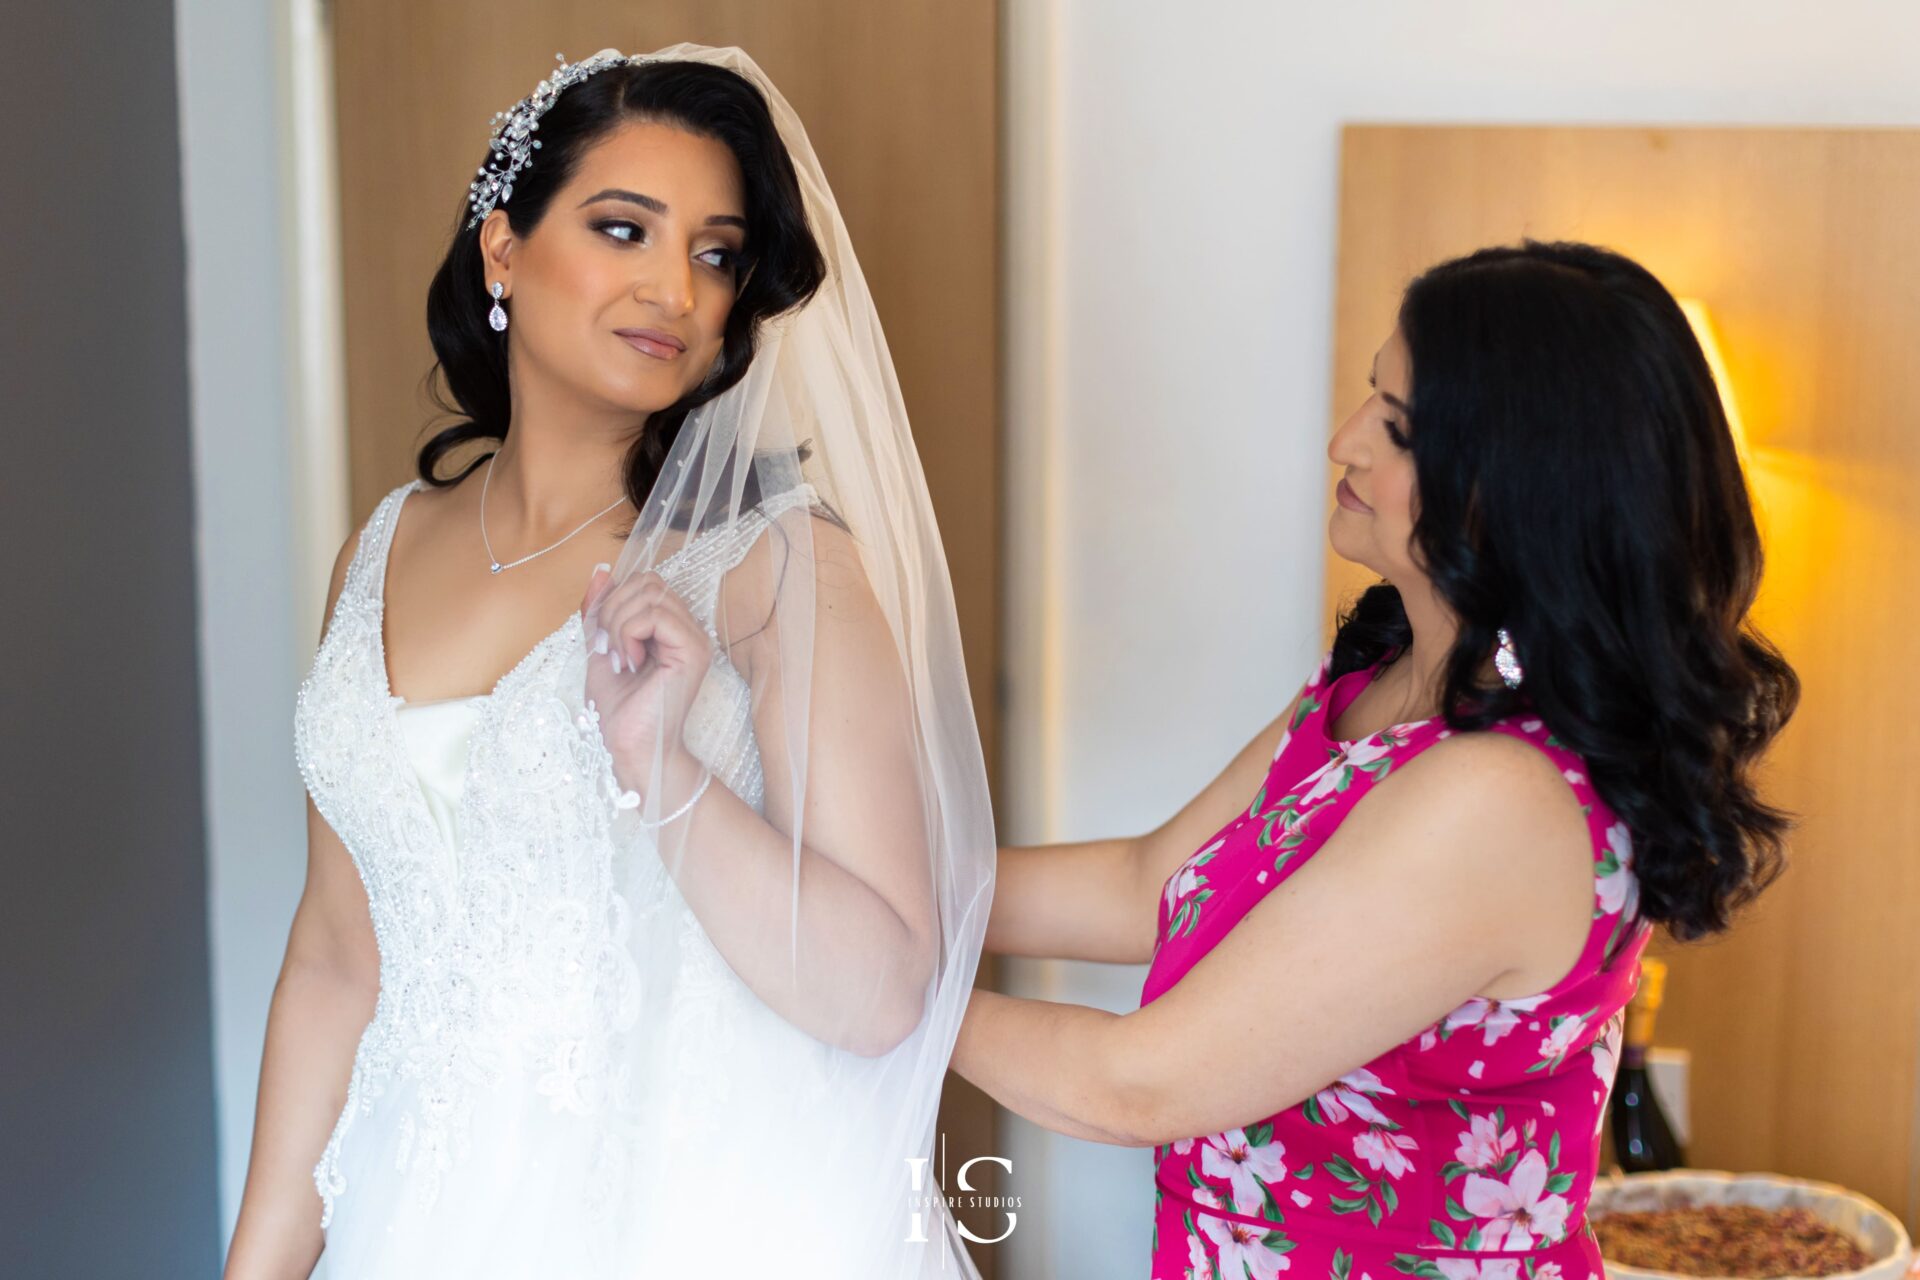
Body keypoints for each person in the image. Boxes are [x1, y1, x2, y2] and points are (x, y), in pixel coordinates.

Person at [224, 44, 994, 1279]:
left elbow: (883, 989)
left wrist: (660, 766)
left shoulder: (772, 568)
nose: (676, 292)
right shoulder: (379, 549)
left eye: (714, 254)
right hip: (416, 1220)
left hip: (693, 1222)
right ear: (503, 248)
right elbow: (335, 957)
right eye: (625, 229)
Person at [952, 240, 1799, 1280]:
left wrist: (870, 974)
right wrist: (867, 882)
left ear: (1511, 484)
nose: (1342, 442)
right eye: (1368, 397)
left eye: (1394, 426)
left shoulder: (1505, 795)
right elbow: (1145, 885)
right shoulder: (1384, 681)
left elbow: (1137, 1086)